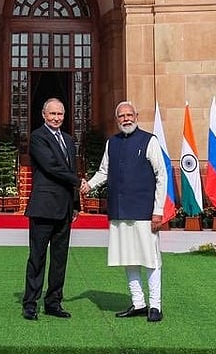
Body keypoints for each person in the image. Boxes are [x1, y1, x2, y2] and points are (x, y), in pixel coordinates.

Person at [80, 101, 167, 323]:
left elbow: (162, 176)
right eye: (121, 116)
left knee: (151, 259)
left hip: (145, 211)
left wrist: (158, 211)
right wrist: (88, 185)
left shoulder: (150, 140)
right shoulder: (112, 142)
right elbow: (104, 171)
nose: (126, 119)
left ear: (136, 116)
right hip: (119, 210)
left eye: (129, 115)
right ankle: (138, 302)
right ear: (116, 119)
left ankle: (155, 305)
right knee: (128, 258)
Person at [21, 98, 81, 321]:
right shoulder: (37, 137)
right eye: (53, 114)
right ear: (44, 115)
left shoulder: (68, 139)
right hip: (43, 207)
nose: (56, 118)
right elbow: (51, 166)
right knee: (37, 257)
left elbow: (72, 167)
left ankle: (53, 302)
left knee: (59, 258)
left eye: (60, 114)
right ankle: (30, 303)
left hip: (64, 208)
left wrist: (76, 204)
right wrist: (78, 181)